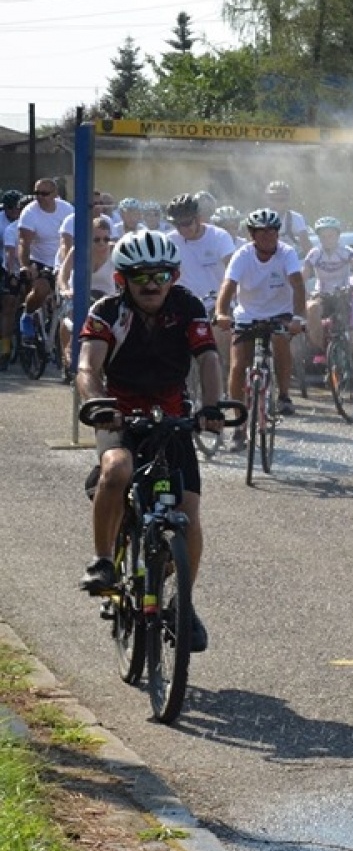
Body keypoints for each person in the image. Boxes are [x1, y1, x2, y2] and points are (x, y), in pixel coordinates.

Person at [77, 231, 226, 651]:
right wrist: (97, 403)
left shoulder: (187, 306)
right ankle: (103, 561)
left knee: (189, 515)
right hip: (119, 410)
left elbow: (209, 358)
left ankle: (183, 604)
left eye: (160, 274)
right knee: (117, 469)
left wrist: (211, 407)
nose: (151, 283)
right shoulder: (106, 312)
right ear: (123, 279)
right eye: (140, 275)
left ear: (173, 275)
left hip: (171, 414)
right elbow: (87, 367)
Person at [213, 208, 307, 446]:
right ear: (252, 235)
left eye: (272, 231)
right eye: (261, 232)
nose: (267, 236)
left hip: (280, 312)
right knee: (237, 365)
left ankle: (284, 395)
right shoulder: (242, 254)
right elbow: (228, 285)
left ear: (278, 233)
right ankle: (238, 424)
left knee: (280, 341)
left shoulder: (287, 253)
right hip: (247, 315)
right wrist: (221, 313)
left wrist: (298, 317)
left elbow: (297, 284)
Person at [165, 193, 241, 378]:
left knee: (219, 334)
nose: (183, 229)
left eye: (187, 223)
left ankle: (223, 375)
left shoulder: (219, 236)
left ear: (198, 218)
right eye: (177, 224)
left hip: (215, 301)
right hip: (184, 301)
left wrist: (230, 297)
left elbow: (233, 270)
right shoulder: (170, 240)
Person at [303, 216, 353, 357]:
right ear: (319, 238)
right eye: (323, 236)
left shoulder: (346, 252)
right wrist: (305, 293)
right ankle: (321, 350)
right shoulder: (315, 254)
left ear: (337, 236)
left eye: (331, 236)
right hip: (323, 296)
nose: (327, 239)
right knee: (311, 308)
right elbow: (302, 278)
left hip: (344, 296)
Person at [16, 179, 74, 346]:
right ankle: (27, 314)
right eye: (36, 193)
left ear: (55, 194)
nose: (39, 197)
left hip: (63, 259)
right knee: (40, 290)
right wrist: (25, 265)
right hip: (40, 259)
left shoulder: (67, 209)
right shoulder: (29, 212)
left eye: (44, 193)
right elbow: (23, 243)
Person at [57, 216, 116, 374]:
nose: (102, 243)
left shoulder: (115, 251)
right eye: (97, 239)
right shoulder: (78, 250)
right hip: (78, 293)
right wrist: (65, 289)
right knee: (69, 317)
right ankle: (66, 355)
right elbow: (63, 273)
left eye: (106, 238)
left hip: (106, 297)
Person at [1, 189, 24, 365]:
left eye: (17, 208)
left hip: (26, 265)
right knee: (7, 305)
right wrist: (11, 274)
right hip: (6, 264)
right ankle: (5, 348)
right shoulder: (7, 227)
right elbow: (8, 256)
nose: (13, 212)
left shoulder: (27, 222)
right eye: (10, 208)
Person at [263, 180, 311, 253]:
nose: (277, 203)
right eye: (273, 199)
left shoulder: (296, 218)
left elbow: (306, 245)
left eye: (281, 200)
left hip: (289, 257)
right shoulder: (260, 217)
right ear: (267, 200)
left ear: (287, 201)